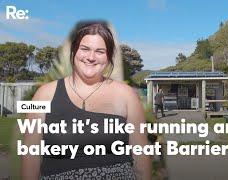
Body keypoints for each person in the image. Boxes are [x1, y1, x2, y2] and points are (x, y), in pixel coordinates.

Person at [21, 21, 151, 180]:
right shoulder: (43, 94)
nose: (91, 57)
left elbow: (141, 155)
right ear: (74, 51)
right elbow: (30, 157)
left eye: (100, 51)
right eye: (85, 49)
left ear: (108, 57)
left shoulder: (127, 95)